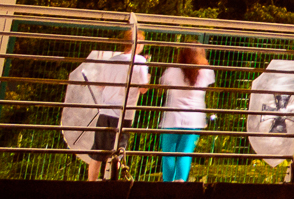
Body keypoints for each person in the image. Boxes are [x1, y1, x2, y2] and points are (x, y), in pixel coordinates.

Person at [63, 30, 151, 181]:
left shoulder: (112, 60)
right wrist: (147, 76)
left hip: (105, 111)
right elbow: (143, 89)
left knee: (97, 152)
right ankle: (111, 183)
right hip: (123, 114)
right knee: (117, 152)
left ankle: (90, 183)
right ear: (138, 44)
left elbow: (100, 85)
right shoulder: (140, 62)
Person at [156, 46, 215, 183]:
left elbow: (161, 86)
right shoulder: (205, 72)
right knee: (185, 153)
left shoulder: (172, 70)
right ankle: (180, 182)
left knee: (168, 154)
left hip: (172, 119)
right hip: (194, 120)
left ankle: (167, 183)